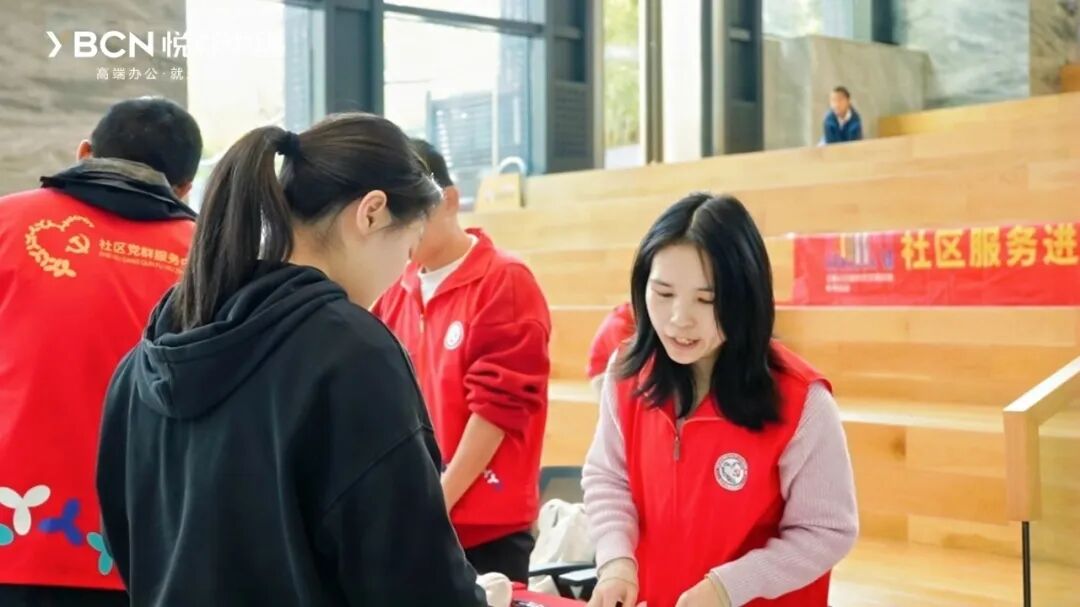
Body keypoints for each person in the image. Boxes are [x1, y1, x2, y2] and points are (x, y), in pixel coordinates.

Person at [95, 115, 486, 606]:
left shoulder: (146, 358)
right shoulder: (353, 355)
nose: (399, 274)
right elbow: (412, 575)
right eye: (407, 250)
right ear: (371, 213)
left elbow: (126, 540)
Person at [582, 193, 858, 607]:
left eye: (707, 300)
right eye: (663, 293)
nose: (680, 319)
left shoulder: (802, 402)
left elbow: (828, 530)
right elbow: (607, 478)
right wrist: (616, 561)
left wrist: (728, 587)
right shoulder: (625, 374)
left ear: (745, 298)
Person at [0, 97, 201, 607]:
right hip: (152, 551)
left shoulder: (6, 222)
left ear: (86, 152)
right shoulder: (211, 258)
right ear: (185, 186)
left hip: (13, 541)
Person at [373, 139, 550, 583]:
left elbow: (496, 411)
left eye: (414, 215)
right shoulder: (395, 287)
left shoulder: (504, 280)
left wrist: (435, 503)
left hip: (485, 529)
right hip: (416, 516)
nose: (404, 231)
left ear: (449, 200)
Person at [586, 302, 635, 398]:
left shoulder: (628, 316)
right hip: (602, 376)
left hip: (620, 370)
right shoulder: (619, 324)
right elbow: (628, 362)